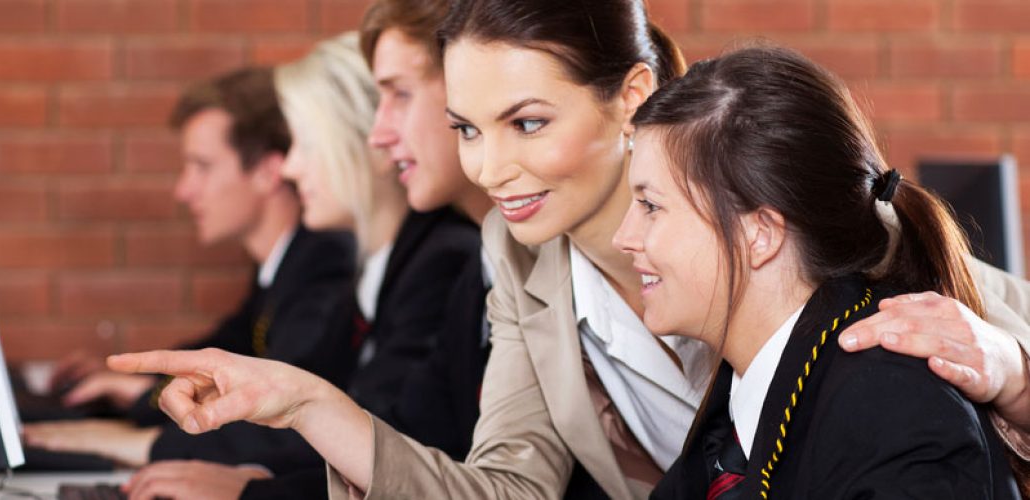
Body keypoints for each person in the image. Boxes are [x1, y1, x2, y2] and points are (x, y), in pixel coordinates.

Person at [111, 0, 1030, 498]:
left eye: (528, 122)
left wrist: (1013, 371)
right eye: (467, 129)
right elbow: (508, 489)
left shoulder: (787, 211)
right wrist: (310, 405)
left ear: (632, 96)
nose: (490, 169)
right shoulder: (516, 254)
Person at [610, 45, 1019, 499]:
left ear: (760, 234)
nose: (622, 238)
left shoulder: (891, 410)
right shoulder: (737, 405)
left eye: (651, 206)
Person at [123, 2, 496, 497]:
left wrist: (253, 489)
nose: (291, 168)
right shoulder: (430, 262)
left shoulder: (447, 258)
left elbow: (405, 441)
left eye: (304, 142)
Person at [21, 67, 359, 467]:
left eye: (202, 166)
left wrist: (141, 409)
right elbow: (227, 346)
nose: (183, 190)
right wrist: (139, 381)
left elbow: (282, 414)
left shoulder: (323, 265)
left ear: (268, 172)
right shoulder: (283, 264)